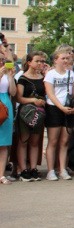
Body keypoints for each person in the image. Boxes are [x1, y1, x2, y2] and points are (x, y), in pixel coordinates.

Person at [44, 46, 74, 181]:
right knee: (53, 140)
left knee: (65, 141)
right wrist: (60, 107)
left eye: (67, 58)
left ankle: (63, 169)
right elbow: (50, 93)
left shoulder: (70, 74)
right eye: (63, 58)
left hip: (69, 108)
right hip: (54, 108)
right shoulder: (51, 74)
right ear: (55, 60)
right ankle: (50, 170)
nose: (65, 60)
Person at [15, 52, 47, 182]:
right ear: (29, 63)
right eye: (37, 61)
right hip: (26, 112)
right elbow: (19, 97)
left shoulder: (43, 77)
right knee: (23, 140)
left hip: (39, 112)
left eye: (41, 61)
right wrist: (33, 100)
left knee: (35, 141)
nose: (40, 63)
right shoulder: (23, 78)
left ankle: (33, 168)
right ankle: (23, 169)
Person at [0, 50, 16, 185]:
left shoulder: (6, 71)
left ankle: (1, 175)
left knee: (3, 144)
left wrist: (10, 76)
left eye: (2, 59)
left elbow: (13, 92)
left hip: (5, 104)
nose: (1, 62)